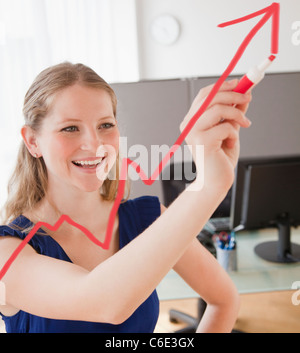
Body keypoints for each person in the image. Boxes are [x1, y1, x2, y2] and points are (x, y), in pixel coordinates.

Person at [0, 62, 252, 333]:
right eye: (70, 128)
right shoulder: (8, 253)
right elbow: (105, 304)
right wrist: (208, 186)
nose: (95, 145)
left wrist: (213, 182)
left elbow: (224, 300)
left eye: (105, 125)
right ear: (33, 141)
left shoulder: (146, 219)